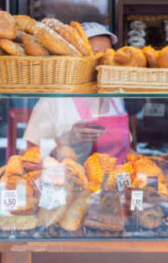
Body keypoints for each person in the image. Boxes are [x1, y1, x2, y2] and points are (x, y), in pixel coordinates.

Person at [22, 24, 130, 163]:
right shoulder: (55, 99)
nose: (104, 61)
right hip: (71, 175)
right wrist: (68, 139)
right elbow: (28, 154)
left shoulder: (115, 96)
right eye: (96, 54)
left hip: (116, 176)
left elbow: (125, 149)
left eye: (108, 54)